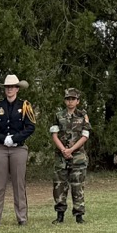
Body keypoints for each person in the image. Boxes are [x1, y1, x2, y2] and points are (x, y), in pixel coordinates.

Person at [0, 74, 36, 226]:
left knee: (18, 184)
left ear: (17, 89)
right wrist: (3, 139)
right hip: (0, 148)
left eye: (12, 87)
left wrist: (14, 138)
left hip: (18, 148)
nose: (10, 89)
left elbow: (30, 127)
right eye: (7, 87)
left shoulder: (25, 106)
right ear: (5, 89)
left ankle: (22, 217)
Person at [50, 87, 92, 224]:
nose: (70, 101)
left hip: (78, 156)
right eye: (68, 99)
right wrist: (63, 150)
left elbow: (85, 136)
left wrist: (71, 150)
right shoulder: (58, 115)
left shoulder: (82, 116)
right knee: (59, 186)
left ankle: (79, 215)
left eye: (73, 99)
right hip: (61, 157)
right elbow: (54, 135)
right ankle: (60, 215)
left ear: (78, 101)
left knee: (78, 186)